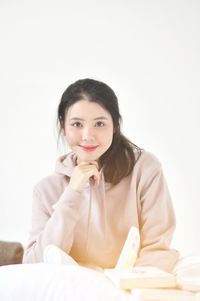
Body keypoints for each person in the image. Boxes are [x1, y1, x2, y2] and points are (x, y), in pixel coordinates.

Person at [23, 78, 179, 272]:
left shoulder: (145, 170)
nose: (87, 135)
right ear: (63, 125)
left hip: (129, 286)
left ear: (115, 126)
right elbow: (33, 266)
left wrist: (127, 289)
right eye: (77, 124)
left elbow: (157, 248)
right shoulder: (45, 190)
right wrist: (73, 192)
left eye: (99, 123)